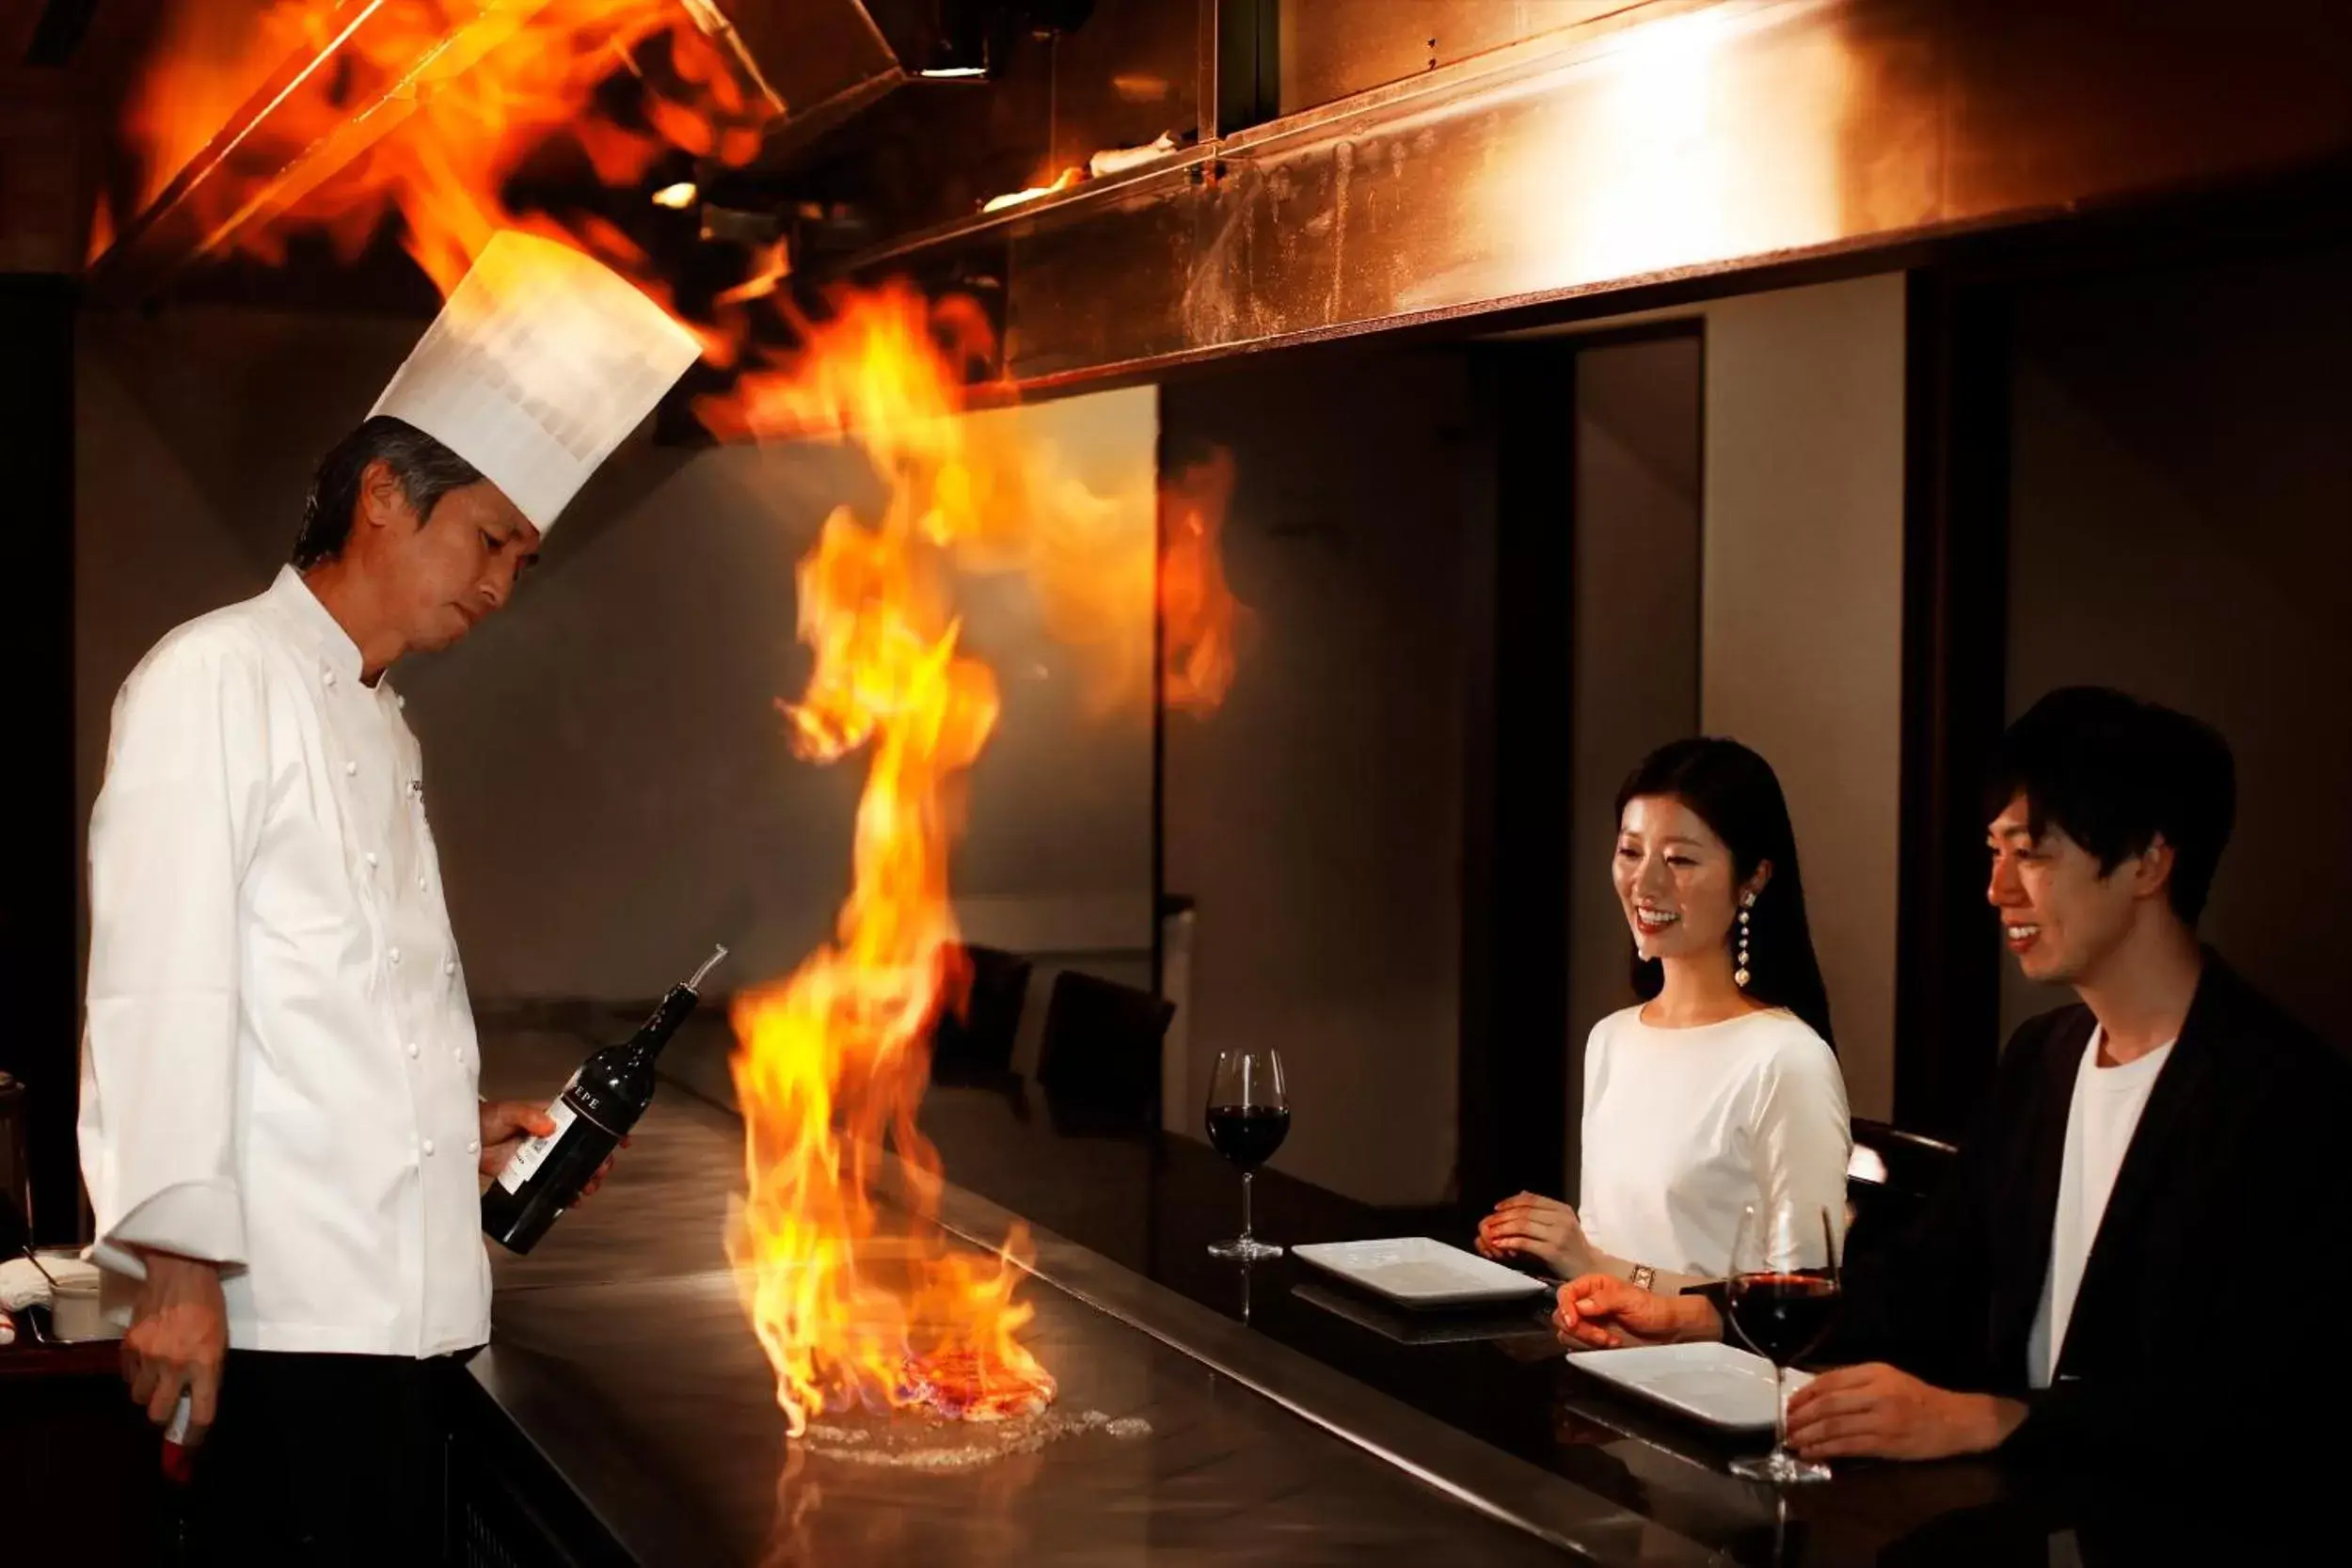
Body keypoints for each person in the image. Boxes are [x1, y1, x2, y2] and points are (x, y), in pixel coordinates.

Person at [78, 231, 702, 1560]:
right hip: (287, 1333)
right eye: (489, 537)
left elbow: (316, 1015)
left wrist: (441, 1132)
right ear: (379, 494)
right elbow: (162, 996)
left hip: (402, 1325)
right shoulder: (216, 681)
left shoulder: (381, 720)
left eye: (524, 558)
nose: (499, 583)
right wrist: (179, 1283)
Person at [1552, 688, 2352, 1472]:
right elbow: (1923, 1280)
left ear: (2147, 861)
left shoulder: (2280, 1095)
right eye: (1995, 851)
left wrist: (1990, 1418)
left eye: (2031, 853)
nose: (1998, 890)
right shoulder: (2046, 1057)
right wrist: (1692, 1314)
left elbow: (2260, 1404)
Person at [1477, 738, 1851, 1289]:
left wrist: (1586, 1262)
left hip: (1721, 1373)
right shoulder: (1612, 1039)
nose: (1645, 884)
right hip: (1602, 1360)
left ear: (1753, 878)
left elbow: (1803, 1302)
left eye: (1679, 859)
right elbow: (1605, 1253)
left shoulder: (1786, 1060)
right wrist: (1543, 1248)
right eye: (1631, 852)